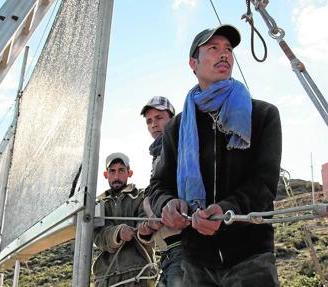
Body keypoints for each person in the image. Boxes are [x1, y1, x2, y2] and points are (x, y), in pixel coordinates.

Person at [148, 24, 282, 287]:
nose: (224, 54)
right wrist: (167, 205)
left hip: (251, 258)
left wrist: (225, 211)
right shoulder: (177, 127)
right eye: (213, 48)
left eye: (228, 49)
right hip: (196, 262)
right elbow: (158, 185)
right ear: (193, 64)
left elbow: (264, 184)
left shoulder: (263, 115)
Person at [93, 152, 156, 287]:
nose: (116, 176)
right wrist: (118, 232)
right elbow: (98, 236)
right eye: (112, 171)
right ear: (106, 175)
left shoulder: (142, 196)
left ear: (129, 173)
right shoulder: (98, 204)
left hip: (138, 273)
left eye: (121, 170)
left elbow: (145, 220)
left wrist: (144, 230)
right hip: (106, 277)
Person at [140, 97, 184, 287]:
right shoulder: (157, 154)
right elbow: (153, 198)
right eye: (149, 121)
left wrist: (152, 209)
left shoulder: (180, 149)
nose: (153, 125)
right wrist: (149, 224)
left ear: (172, 119)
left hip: (184, 248)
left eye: (159, 118)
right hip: (167, 251)